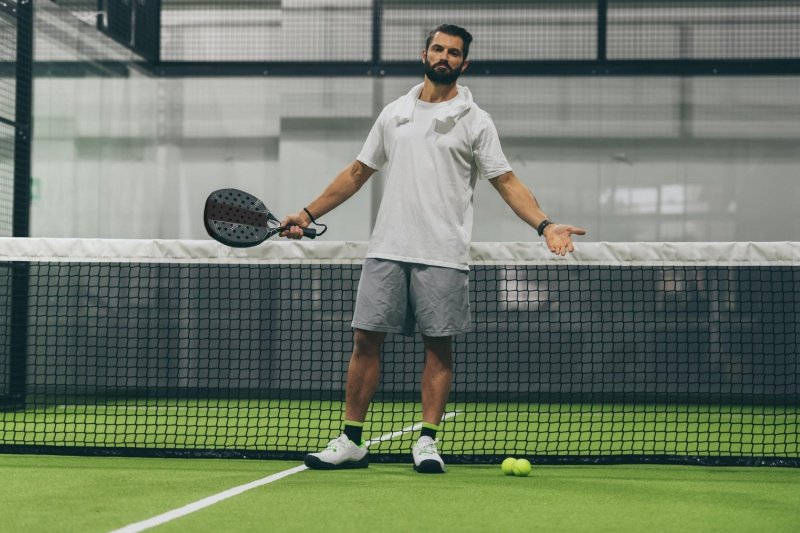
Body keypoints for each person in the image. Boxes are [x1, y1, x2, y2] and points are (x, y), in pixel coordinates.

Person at [281, 24, 586, 474]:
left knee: (438, 348)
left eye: (453, 52)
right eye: (438, 48)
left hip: (443, 252)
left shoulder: (476, 121)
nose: (444, 56)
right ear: (424, 53)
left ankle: (426, 441)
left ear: (464, 63)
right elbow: (357, 172)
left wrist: (544, 224)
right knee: (365, 340)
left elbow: (505, 180)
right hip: (388, 246)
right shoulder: (394, 114)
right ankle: (351, 440)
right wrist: (306, 214)